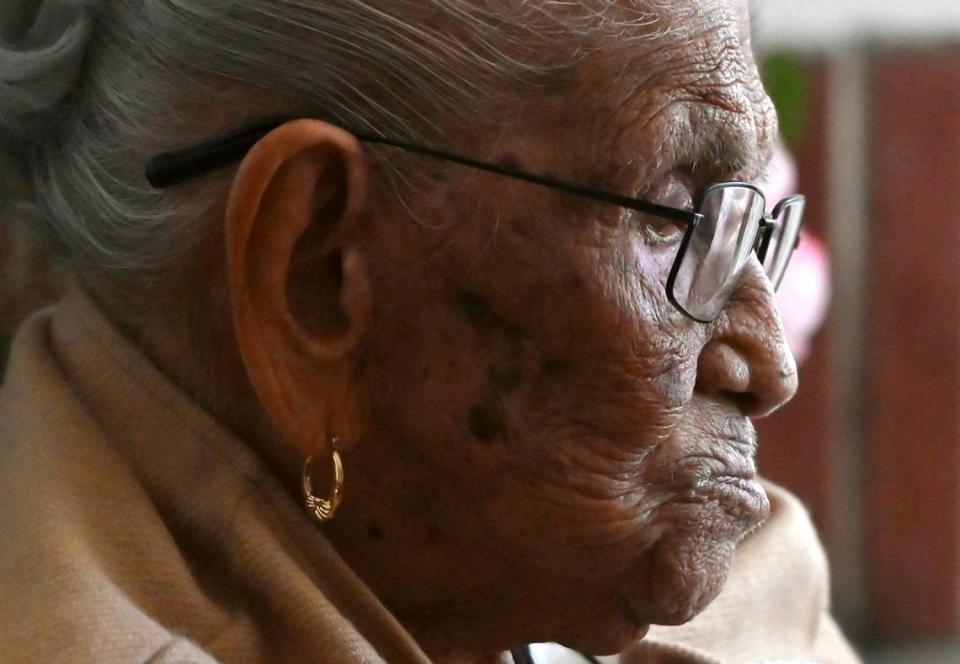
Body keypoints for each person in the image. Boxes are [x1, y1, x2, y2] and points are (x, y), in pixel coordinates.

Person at [0, 1, 859, 663]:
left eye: (747, 227)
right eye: (675, 218)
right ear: (317, 278)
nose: (770, 365)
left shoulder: (744, 601)